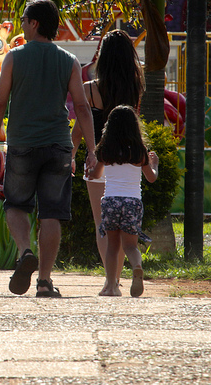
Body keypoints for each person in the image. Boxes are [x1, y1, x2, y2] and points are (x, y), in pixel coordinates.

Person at [0, 0, 97, 298]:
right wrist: (94, 151)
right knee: (51, 213)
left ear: (34, 23)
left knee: (16, 205)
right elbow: (83, 108)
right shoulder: (69, 61)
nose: (21, 24)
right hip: (58, 146)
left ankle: (25, 252)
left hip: (23, 144)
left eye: (23, 19)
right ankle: (45, 282)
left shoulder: (15, 57)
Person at [71, 29, 145, 291]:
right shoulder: (136, 87)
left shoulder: (90, 90)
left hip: (97, 160)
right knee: (124, 230)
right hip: (127, 163)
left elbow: (79, 129)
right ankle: (117, 278)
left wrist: (71, 154)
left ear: (102, 56)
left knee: (103, 224)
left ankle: (110, 281)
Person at [90, 105, 159, 297]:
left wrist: (94, 166)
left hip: (111, 201)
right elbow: (151, 178)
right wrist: (155, 164)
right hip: (132, 202)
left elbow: (95, 175)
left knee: (112, 246)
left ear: (109, 127)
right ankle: (137, 266)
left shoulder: (105, 149)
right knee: (130, 246)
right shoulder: (139, 151)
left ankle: (111, 286)